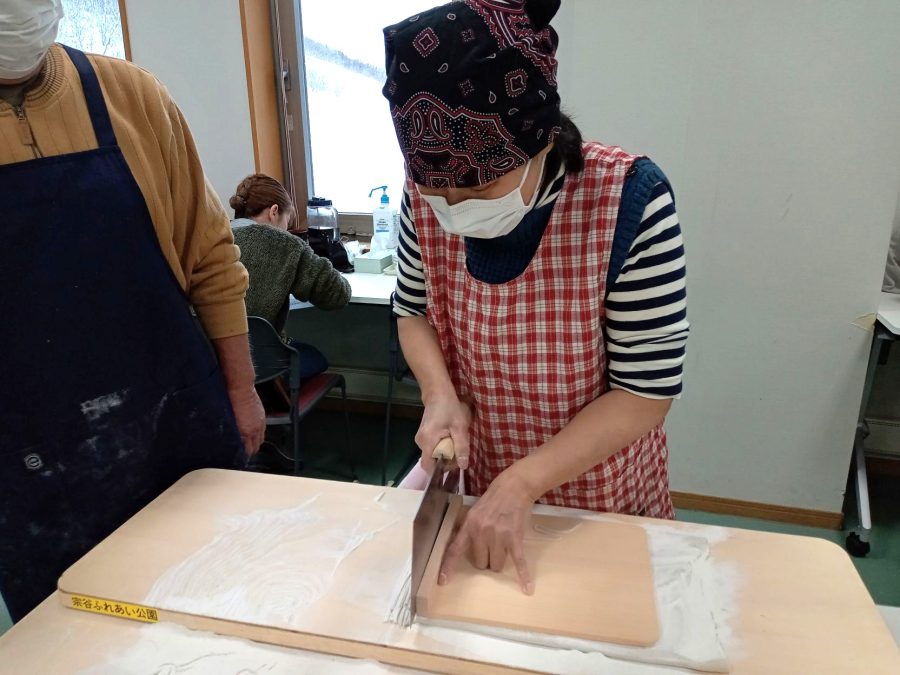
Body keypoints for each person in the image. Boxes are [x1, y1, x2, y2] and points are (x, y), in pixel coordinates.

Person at [383, 0, 690, 594]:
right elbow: (412, 310)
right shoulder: (423, 191)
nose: (454, 207)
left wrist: (524, 482)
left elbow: (645, 393)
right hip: (482, 479)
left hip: (598, 493)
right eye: (437, 189)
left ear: (540, 139)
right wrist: (439, 395)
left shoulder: (628, 200)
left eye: (479, 187)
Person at [0, 1, 265, 621]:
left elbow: (211, 256)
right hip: (36, 462)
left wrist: (242, 389)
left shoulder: (132, 95)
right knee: (85, 636)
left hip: (176, 424)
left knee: (228, 609)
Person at [230, 174, 351, 380]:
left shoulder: (213, 237)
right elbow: (337, 295)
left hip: (215, 366)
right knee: (316, 358)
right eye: (287, 220)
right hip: (265, 369)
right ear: (274, 211)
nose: (287, 229)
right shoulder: (285, 244)